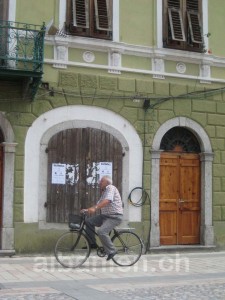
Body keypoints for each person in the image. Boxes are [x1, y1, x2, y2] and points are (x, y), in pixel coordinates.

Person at [81, 175, 123, 261]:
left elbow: (107, 200)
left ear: (107, 182)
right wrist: (87, 209)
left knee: (101, 232)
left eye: (101, 181)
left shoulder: (110, 187)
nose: (99, 183)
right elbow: (99, 203)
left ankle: (112, 250)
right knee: (88, 222)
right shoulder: (104, 192)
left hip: (114, 216)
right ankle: (92, 243)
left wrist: (94, 208)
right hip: (105, 216)